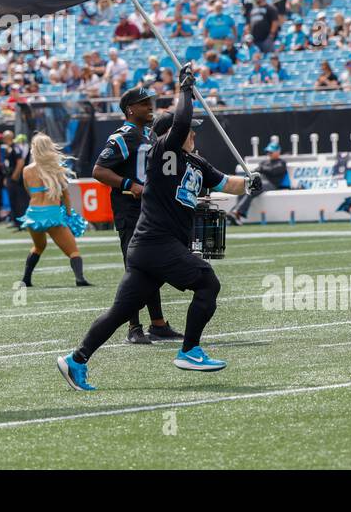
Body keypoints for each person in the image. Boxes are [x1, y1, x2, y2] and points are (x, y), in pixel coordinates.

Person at [58, 66, 261, 390]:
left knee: (120, 312)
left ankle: (76, 359)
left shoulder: (196, 162)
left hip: (149, 248)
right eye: (189, 132)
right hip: (157, 241)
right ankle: (190, 350)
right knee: (208, 282)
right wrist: (185, 91)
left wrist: (250, 185)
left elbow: (226, 183)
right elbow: (180, 123)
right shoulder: (162, 152)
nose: (193, 134)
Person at [91, 85, 183, 343]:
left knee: (153, 266)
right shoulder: (123, 136)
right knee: (136, 268)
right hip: (130, 211)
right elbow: (98, 170)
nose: (149, 106)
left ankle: (158, 323)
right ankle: (134, 326)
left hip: (148, 212)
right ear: (130, 109)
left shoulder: (148, 135)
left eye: (149, 102)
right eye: (144, 103)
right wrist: (129, 185)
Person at [19, 134, 91, 286]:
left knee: (39, 247)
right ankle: (80, 279)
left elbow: (29, 192)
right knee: (73, 251)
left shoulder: (26, 170)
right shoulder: (57, 169)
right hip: (52, 214)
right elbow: (65, 195)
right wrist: (70, 214)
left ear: (34, 149)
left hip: (33, 214)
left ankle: (26, 279)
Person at [234, 141, 289, 224]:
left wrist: (262, 169)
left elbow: (274, 171)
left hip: (272, 185)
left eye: (271, 151)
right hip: (262, 183)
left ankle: (236, 213)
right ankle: (235, 213)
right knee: (244, 189)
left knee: (253, 188)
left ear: (278, 152)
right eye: (268, 152)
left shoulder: (281, 162)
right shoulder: (264, 163)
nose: (269, 153)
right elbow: (254, 172)